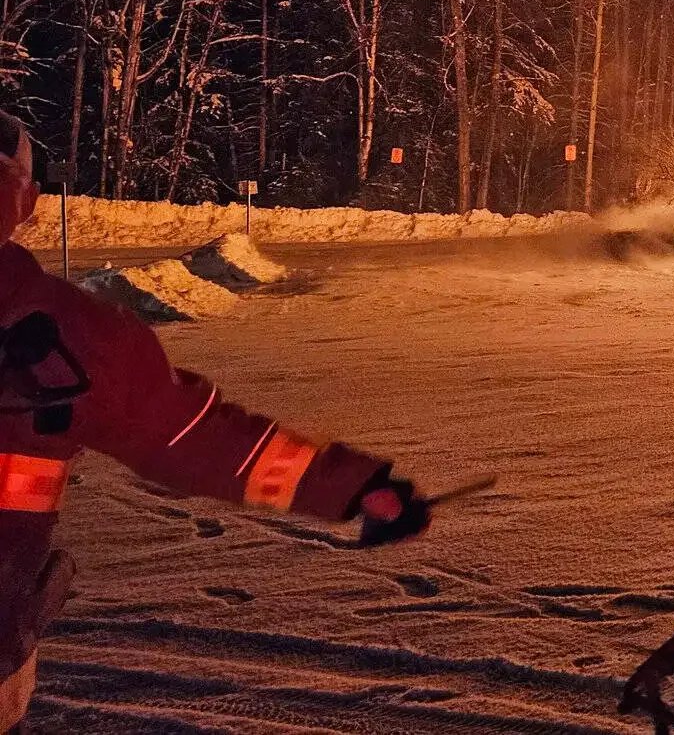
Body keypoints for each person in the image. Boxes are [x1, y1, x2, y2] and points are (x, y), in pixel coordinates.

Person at [0, 110, 432, 731]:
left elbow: (197, 442)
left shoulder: (78, 337)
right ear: (32, 203)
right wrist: (355, 488)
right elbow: (194, 442)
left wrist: (351, 486)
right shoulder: (76, 337)